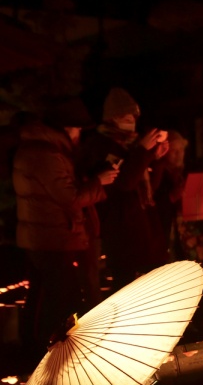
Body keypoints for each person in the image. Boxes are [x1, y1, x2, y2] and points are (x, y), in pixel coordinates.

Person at [13, 98, 117, 351]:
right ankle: (45, 348)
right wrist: (98, 182)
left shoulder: (45, 150)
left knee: (44, 293)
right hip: (50, 236)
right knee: (57, 295)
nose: (78, 134)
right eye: (76, 129)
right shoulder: (45, 154)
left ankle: (36, 346)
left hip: (48, 233)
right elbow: (69, 197)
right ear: (63, 128)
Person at [78, 87, 169, 290]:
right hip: (122, 228)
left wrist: (157, 159)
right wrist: (143, 152)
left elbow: (149, 188)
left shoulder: (133, 145)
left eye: (133, 114)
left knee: (154, 285)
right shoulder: (102, 146)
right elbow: (125, 183)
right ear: (111, 118)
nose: (130, 118)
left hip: (144, 225)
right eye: (122, 114)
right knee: (126, 286)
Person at [149, 130, 187, 258]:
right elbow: (151, 201)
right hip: (162, 230)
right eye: (174, 151)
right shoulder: (157, 172)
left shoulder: (182, 172)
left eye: (181, 150)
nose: (179, 155)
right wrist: (171, 197)